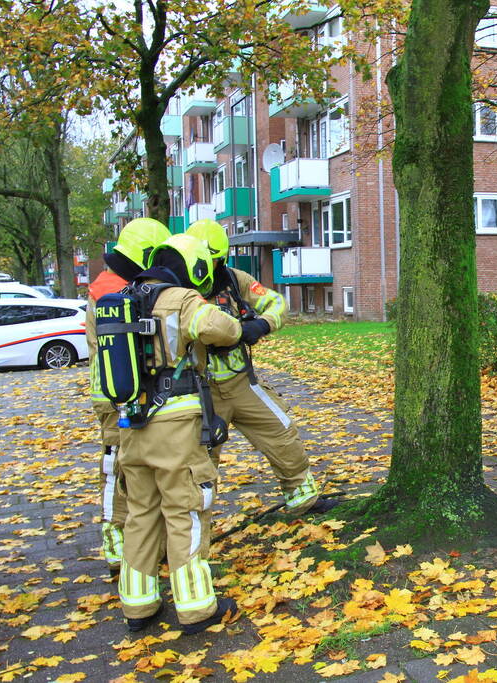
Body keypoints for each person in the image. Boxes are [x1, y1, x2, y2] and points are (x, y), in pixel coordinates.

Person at [112, 233, 241, 634]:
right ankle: (197, 608)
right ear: (194, 268)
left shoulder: (120, 299)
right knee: (186, 509)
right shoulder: (182, 299)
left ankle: (138, 605)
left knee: (141, 515)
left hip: (131, 426)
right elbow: (224, 330)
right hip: (174, 426)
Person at [185, 219, 324, 512]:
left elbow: (276, 302)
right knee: (198, 461)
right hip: (199, 390)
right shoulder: (177, 290)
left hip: (241, 383)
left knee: (282, 431)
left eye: (214, 262)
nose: (207, 269)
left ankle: (303, 499)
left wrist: (261, 324)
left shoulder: (236, 280)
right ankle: (190, 529)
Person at [86, 217, 171, 573]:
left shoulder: (111, 284)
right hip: (117, 397)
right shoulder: (117, 290)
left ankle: (143, 543)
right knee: (118, 468)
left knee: (134, 469)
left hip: (122, 392)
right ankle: (116, 544)